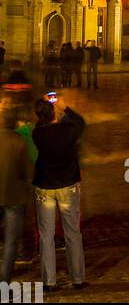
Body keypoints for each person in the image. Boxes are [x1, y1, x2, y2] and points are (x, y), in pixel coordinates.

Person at [32, 94, 86, 290]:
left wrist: (49, 107)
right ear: (54, 112)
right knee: (72, 232)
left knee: (46, 235)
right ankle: (78, 278)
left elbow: (42, 124)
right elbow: (80, 122)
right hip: (68, 185)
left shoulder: (37, 134)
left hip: (45, 186)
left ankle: (49, 281)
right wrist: (65, 107)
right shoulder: (68, 131)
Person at [0, 100, 31, 283]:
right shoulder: (19, 142)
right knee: (11, 241)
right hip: (15, 198)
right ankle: (3, 280)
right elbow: (28, 172)